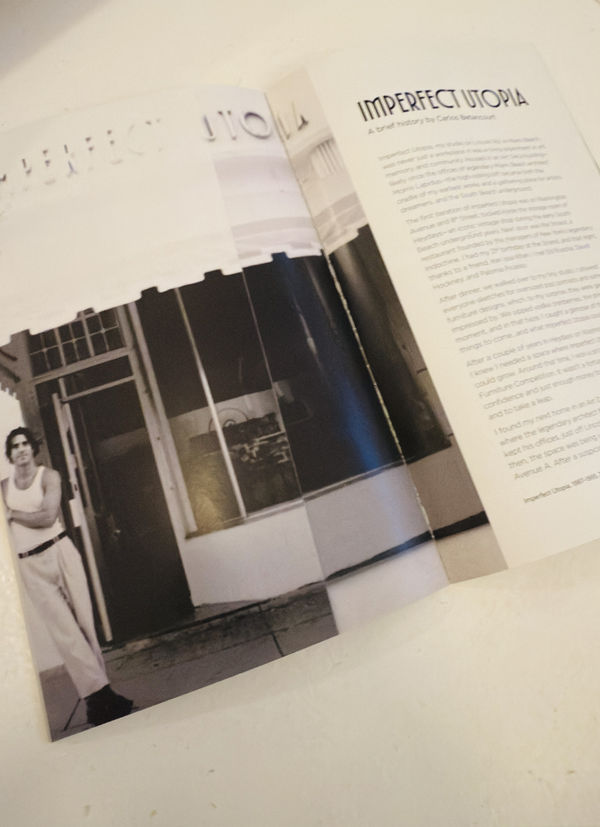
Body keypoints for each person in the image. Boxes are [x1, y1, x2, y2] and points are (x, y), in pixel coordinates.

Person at [1, 426, 133, 727]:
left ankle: (100, 701)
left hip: (60, 552)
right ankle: (101, 699)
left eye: (25, 444)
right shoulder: (3, 488)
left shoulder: (49, 476)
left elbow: (48, 516)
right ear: (9, 454)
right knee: (66, 634)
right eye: (15, 446)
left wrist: (13, 514)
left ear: (33, 448)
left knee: (85, 626)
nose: (21, 450)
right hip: (29, 564)